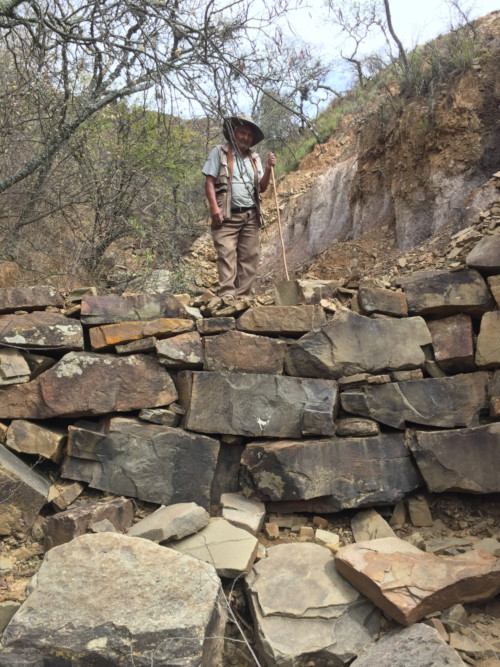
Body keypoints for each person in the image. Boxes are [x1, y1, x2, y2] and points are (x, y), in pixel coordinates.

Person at [202, 114, 276, 299]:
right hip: (226, 214)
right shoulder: (219, 152)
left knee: (250, 256)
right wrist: (213, 207)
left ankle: (243, 298)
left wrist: (267, 168)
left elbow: (262, 188)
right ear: (233, 133)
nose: (245, 137)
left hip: (251, 215)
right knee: (226, 255)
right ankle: (227, 297)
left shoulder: (254, 158)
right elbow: (209, 181)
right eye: (242, 133)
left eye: (249, 135)